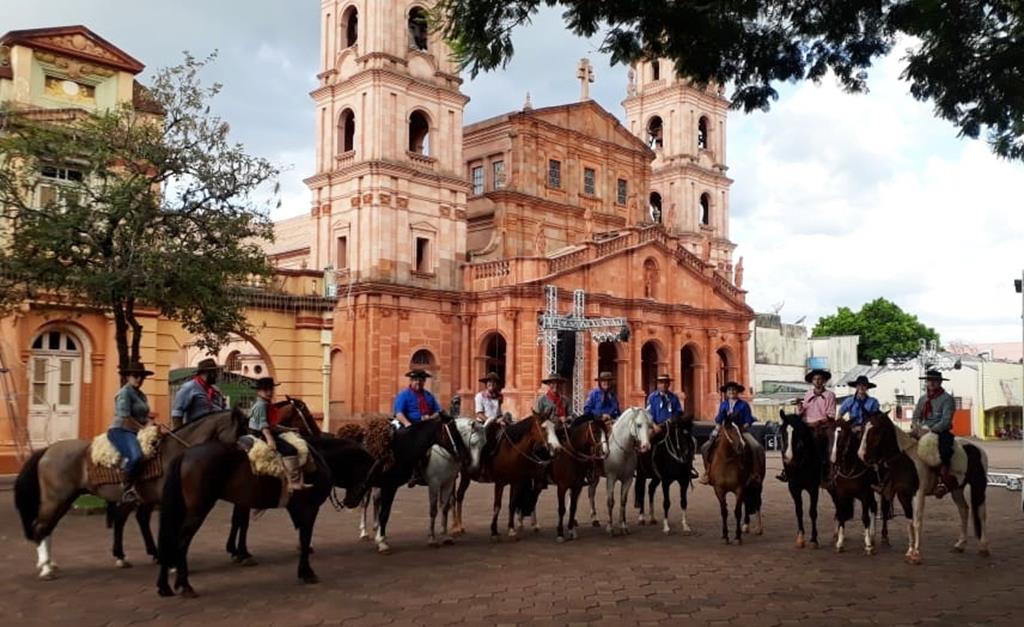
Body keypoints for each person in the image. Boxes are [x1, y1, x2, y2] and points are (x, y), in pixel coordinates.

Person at [248, 377, 309, 491]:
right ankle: (293, 482)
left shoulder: (265, 403)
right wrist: (270, 439)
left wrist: (288, 429)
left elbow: (273, 425)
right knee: (290, 450)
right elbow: (263, 425)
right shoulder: (261, 405)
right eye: (265, 390)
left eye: (271, 389)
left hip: (265, 431)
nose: (269, 392)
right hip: (260, 434)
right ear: (258, 391)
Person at [108, 361, 155, 504]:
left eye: (141, 376)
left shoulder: (141, 395)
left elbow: (143, 415)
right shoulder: (124, 393)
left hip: (137, 430)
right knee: (136, 456)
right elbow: (126, 418)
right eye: (135, 376)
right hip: (121, 430)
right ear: (128, 377)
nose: (139, 379)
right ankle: (125, 488)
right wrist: (144, 429)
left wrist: (150, 423)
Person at [777, 367, 836, 482]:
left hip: (822, 425)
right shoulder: (808, 394)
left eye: (820, 379)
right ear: (812, 381)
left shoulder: (830, 395)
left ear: (824, 381)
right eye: (815, 379)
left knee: (823, 443)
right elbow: (802, 411)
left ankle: (826, 467)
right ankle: (788, 469)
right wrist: (800, 406)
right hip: (806, 424)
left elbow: (831, 415)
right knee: (790, 441)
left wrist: (817, 422)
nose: (817, 381)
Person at [912, 369, 957, 498]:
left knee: (945, 451)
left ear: (940, 382)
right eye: (929, 380)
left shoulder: (947, 399)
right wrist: (917, 427)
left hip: (940, 431)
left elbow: (946, 420)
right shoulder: (922, 399)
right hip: (921, 430)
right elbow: (916, 416)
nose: (931, 383)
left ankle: (943, 481)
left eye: (935, 381)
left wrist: (930, 430)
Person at [393, 369, 442, 487]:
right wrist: (407, 424)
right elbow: (399, 413)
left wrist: (430, 417)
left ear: (424, 381)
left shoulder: (429, 396)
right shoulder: (404, 395)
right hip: (410, 425)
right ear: (411, 381)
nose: (418, 383)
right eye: (415, 380)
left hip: (427, 426)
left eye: (421, 380)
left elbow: (439, 411)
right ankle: (414, 473)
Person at [699, 381, 754, 485]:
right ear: (726, 393)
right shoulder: (723, 404)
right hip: (725, 431)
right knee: (705, 447)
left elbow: (748, 420)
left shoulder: (744, 405)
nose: (731, 392)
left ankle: (753, 473)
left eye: (733, 390)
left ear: (737, 392)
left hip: (740, 430)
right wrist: (717, 428)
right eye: (729, 390)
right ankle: (708, 472)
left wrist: (742, 427)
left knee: (755, 446)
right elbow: (719, 420)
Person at [171, 358, 227, 428]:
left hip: (215, 430)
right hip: (197, 432)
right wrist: (180, 434)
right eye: (214, 372)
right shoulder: (189, 388)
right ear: (206, 373)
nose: (216, 375)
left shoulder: (215, 390)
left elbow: (224, 409)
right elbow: (177, 412)